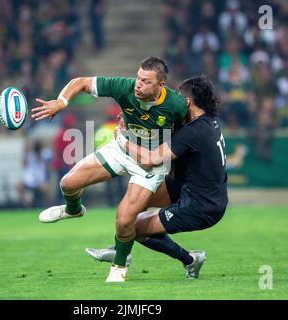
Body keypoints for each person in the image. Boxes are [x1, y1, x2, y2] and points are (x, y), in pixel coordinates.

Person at [31, 57, 188, 282]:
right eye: (138, 78)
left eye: (145, 81)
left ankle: (119, 267)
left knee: (124, 220)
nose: (138, 84)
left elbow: (189, 134)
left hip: (149, 165)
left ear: (160, 86)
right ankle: (73, 209)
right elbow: (80, 82)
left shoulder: (176, 105)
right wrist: (61, 102)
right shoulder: (124, 87)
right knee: (68, 183)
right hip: (121, 148)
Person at [86, 75, 228, 280]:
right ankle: (120, 250)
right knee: (133, 205)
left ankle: (189, 259)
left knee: (133, 227)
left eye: (179, 98)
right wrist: (130, 117)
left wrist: (122, 140)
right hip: (191, 187)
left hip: (202, 205)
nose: (175, 103)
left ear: (187, 102)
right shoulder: (207, 122)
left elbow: (150, 159)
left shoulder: (194, 132)